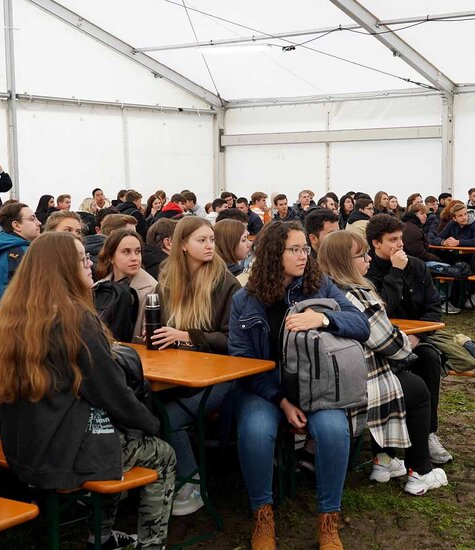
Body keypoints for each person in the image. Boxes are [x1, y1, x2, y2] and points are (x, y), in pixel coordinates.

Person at [0, 232, 175, 549]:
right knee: (162, 453)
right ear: (62, 267)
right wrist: (151, 424)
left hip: (25, 446)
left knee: (110, 431)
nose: (89, 264)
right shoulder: (75, 318)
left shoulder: (14, 312)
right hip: (63, 450)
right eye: (82, 258)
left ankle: (104, 537)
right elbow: (111, 390)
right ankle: (152, 544)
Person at [228, 221, 369, 550]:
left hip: (315, 384)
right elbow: (242, 361)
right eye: (294, 249)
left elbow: (361, 324)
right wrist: (281, 400)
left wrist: (323, 318)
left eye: (305, 248)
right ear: (273, 254)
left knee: (333, 430)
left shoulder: (320, 285)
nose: (304, 255)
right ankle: (263, 516)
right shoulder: (244, 300)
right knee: (255, 431)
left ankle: (329, 520)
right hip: (265, 389)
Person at [318, 230, 448, 496]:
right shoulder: (356, 295)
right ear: (345, 262)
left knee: (412, 371)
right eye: (361, 255)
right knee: (417, 390)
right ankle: (420, 471)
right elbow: (392, 346)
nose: (368, 259)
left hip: (328, 380)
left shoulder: (320, 290)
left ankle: (384, 460)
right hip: (357, 383)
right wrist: (407, 340)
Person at [149, 217, 241, 516]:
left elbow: (232, 340)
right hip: (178, 372)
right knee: (144, 408)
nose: (210, 245)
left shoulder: (225, 281)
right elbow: (161, 330)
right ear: (183, 245)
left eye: (211, 239)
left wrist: (187, 336)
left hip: (223, 376)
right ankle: (156, 478)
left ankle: (191, 485)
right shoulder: (167, 280)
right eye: (202, 240)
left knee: (169, 417)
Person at [364, 214, 454, 464]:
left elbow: (433, 308)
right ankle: (386, 445)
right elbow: (382, 310)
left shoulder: (418, 266)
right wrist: (395, 271)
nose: (400, 244)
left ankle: (428, 433)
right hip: (381, 344)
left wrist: (417, 336)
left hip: (415, 340)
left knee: (429, 358)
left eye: (400, 238)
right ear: (376, 243)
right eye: (392, 239)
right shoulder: (367, 272)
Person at [0, 202, 41, 322]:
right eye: (32, 219)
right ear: (17, 225)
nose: (39, 223)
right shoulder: (25, 254)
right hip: (13, 327)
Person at [96, 229, 157, 340]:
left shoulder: (153, 290)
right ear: (110, 257)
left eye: (138, 251)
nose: (134, 258)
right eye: (126, 252)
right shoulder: (98, 287)